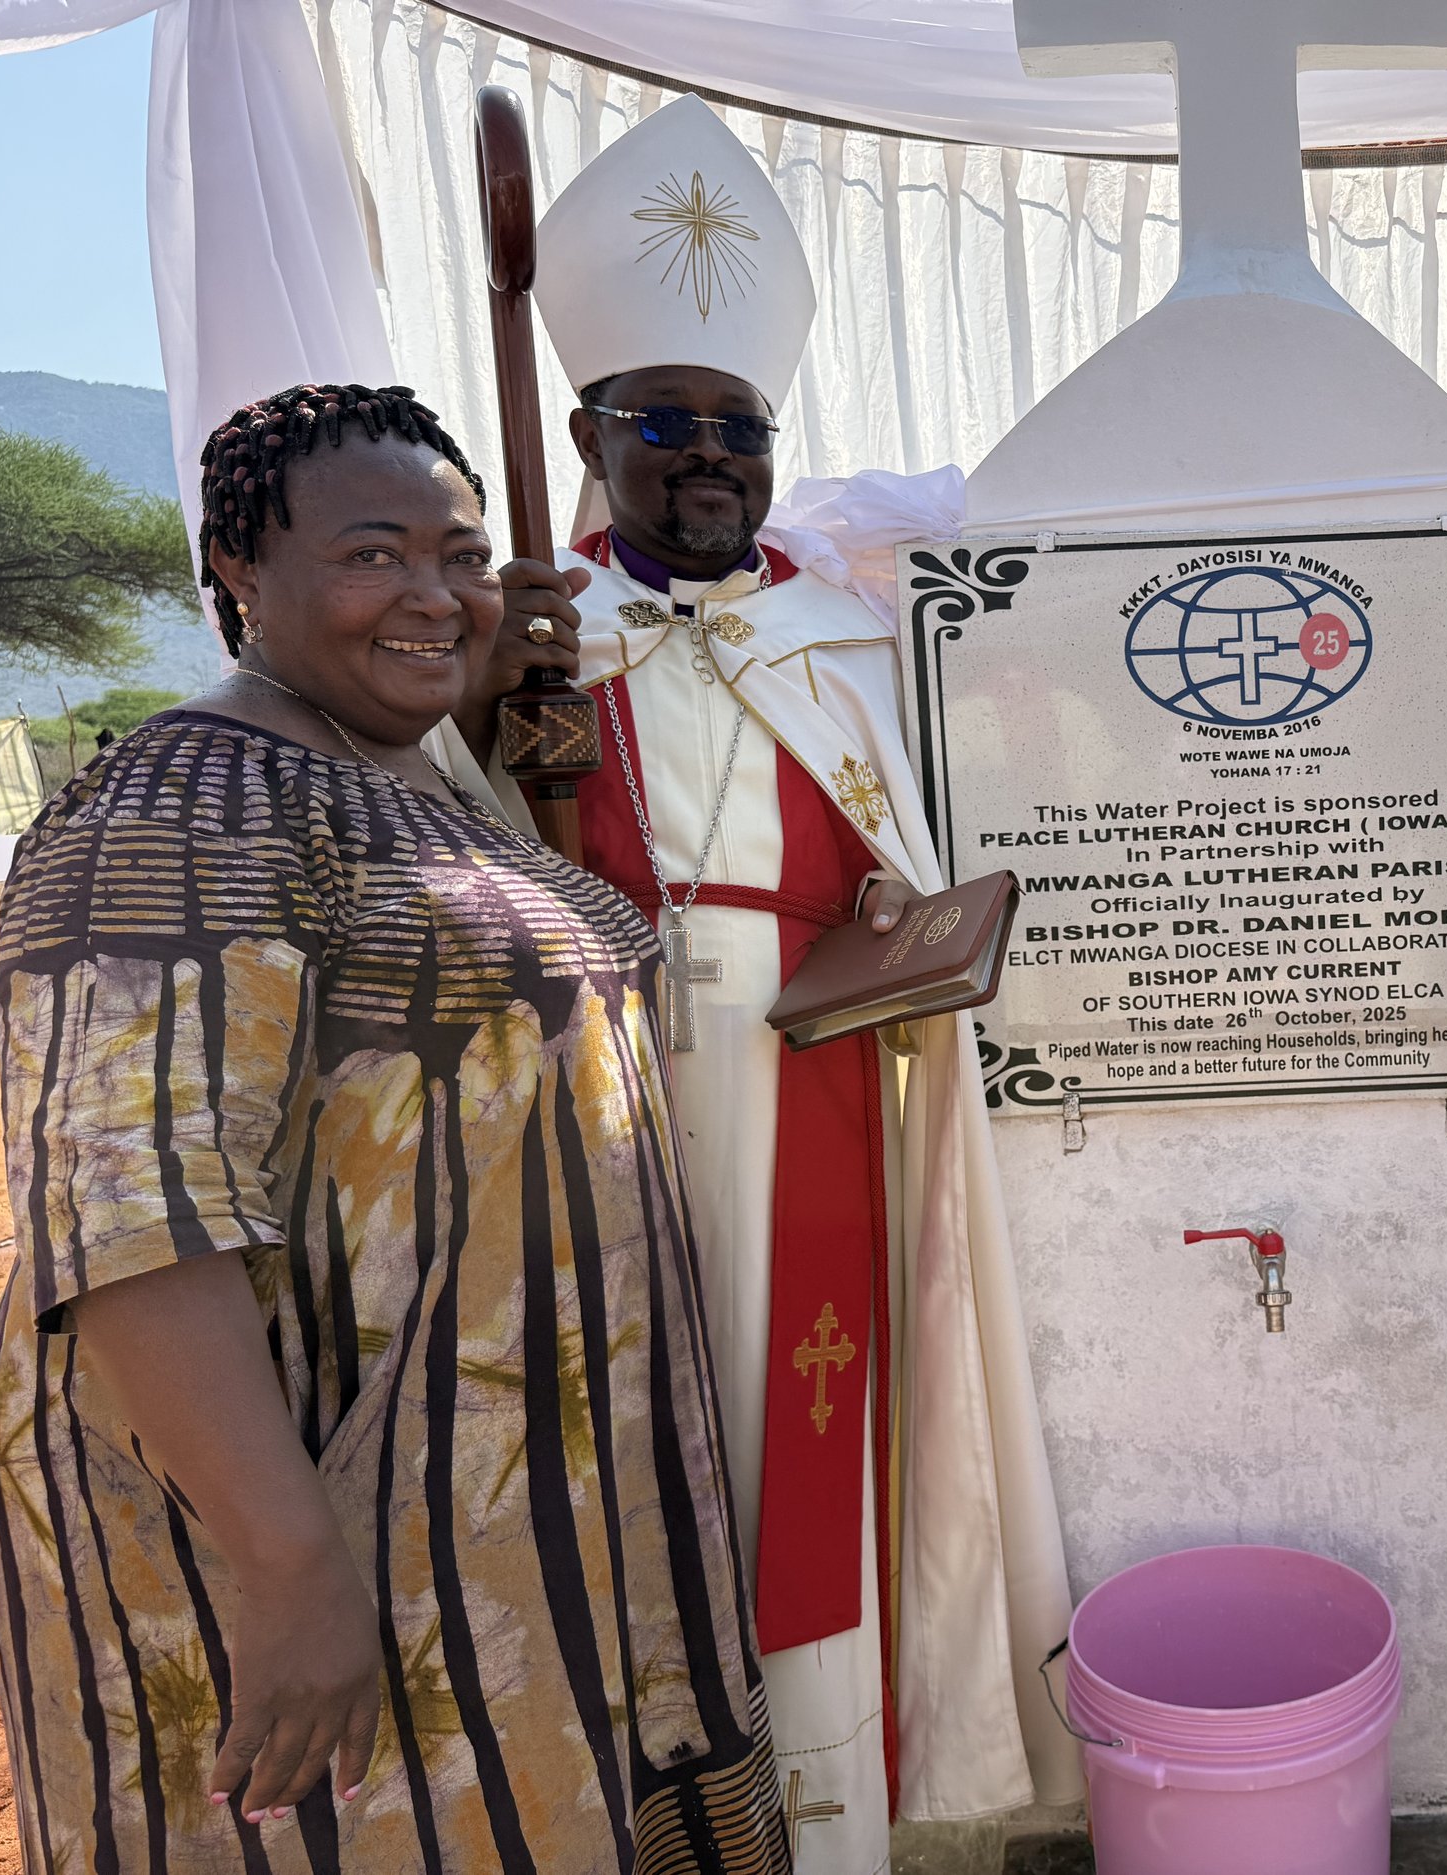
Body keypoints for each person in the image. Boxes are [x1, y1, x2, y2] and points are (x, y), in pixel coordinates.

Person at [0, 383, 788, 1872]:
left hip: (507, 1484)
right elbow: (133, 1208)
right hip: (330, 1508)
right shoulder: (184, 802)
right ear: (239, 568)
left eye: (460, 557)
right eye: (371, 555)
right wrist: (289, 1569)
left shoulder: (403, 776)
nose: (434, 594)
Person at [435, 96, 1074, 1868]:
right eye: (666, 426)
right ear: (590, 438)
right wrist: (492, 718)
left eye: (739, 430)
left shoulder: (838, 634)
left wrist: (902, 925)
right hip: (604, 1096)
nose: (707, 459)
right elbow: (449, 873)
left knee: (810, 1407)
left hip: (821, 1080)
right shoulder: (519, 637)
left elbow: (901, 840)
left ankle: (823, 1802)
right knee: (634, 1421)